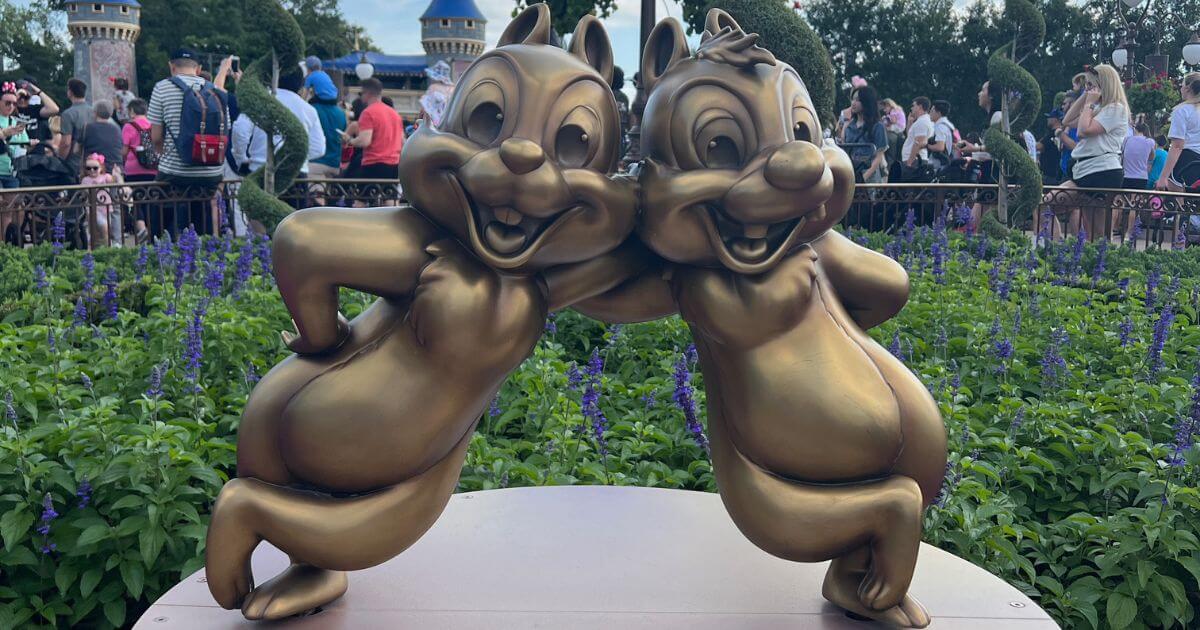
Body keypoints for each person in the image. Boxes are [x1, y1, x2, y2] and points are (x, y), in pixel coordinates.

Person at [148, 47, 230, 237]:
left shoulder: (162, 87)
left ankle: (160, 253)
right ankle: (206, 251)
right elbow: (226, 130)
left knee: (160, 219)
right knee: (203, 223)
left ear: (171, 66)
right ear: (199, 69)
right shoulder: (216, 91)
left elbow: (156, 137)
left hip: (176, 172)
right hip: (212, 172)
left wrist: (163, 154)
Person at [1055, 64, 1130, 240]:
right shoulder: (1096, 108)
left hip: (1102, 172)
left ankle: (1100, 263)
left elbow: (1083, 131)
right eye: (1087, 85)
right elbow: (1067, 120)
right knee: (1047, 203)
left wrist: (1088, 104)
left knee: (1098, 235)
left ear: (1103, 84)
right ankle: (1053, 251)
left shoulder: (1116, 108)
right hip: (1084, 170)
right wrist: (1084, 98)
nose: (1088, 89)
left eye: (1091, 85)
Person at [231, 70, 326, 176]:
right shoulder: (309, 110)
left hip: (260, 168)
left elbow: (240, 129)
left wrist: (241, 158)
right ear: (301, 85)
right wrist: (296, 158)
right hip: (296, 173)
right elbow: (319, 148)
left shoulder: (258, 101)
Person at [344, 78, 402, 181]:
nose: (361, 96)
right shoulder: (395, 114)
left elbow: (364, 141)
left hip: (374, 163)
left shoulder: (368, 112)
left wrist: (349, 140)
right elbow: (401, 140)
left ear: (368, 93)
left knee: (364, 196)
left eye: (361, 93)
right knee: (388, 196)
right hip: (394, 164)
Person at [1155, 71, 1200, 192]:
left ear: (1187, 88)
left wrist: (1163, 176)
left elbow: (1177, 146)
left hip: (1187, 161)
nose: (1180, 89)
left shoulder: (1182, 111)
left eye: (1182, 85)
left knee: (1178, 201)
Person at [121, 98, 158, 243]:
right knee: (149, 198)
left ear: (132, 111)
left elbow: (124, 150)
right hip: (152, 168)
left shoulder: (129, 126)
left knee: (137, 198)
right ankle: (152, 228)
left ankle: (141, 228)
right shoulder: (152, 125)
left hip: (134, 168)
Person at [840, 86, 887, 185]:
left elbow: (878, 156)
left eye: (858, 100)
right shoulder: (849, 126)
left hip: (869, 177)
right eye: (853, 99)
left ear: (867, 102)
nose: (853, 103)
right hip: (851, 173)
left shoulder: (877, 126)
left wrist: (864, 177)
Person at [307, 78, 346, 180]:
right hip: (334, 163)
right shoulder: (341, 113)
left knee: (316, 195)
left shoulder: (311, 109)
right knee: (328, 195)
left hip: (316, 162)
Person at [81, 153, 120, 248]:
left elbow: (113, 181)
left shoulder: (105, 177)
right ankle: (108, 246)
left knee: (105, 229)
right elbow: (84, 193)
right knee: (104, 227)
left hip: (106, 208)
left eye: (95, 168)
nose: (92, 170)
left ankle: (100, 246)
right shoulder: (86, 180)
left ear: (101, 168)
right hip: (93, 209)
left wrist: (116, 174)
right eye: (88, 168)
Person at [58, 78, 93, 176]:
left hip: (74, 163)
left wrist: (60, 160)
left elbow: (66, 143)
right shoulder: (94, 112)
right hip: (95, 161)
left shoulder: (68, 114)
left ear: (70, 92)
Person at [79, 101, 124, 174]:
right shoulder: (117, 129)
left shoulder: (87, 128)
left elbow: (77, 150)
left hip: (94, 171)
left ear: (95, 113)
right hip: (115, 170)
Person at [13, 80, 59, 148]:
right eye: (20, 97)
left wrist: (38, 91)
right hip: (15, 151)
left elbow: (54, 109)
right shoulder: (9, 109)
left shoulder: (35, 109)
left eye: (25, 97)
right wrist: (14, 98)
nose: (22, 100)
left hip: (35, 153)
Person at [901, 96, 934, 182]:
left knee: (910, 190)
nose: (911, 108)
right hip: (914, 160)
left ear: (920, 107)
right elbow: (910, 137)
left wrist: (909, 162)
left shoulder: (922, 122)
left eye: (913, 105)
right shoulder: (920, 121)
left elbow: (918, 143)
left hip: (915, 161)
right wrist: (910, 122)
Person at [927, 99, 957, 173]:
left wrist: (926, 145)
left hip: (938, 166)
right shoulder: (949, 125)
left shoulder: (940, 127)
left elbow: (940, 147)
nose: (929, 113)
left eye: (932, 111)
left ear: (939, 113)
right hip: (947, 163)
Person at [1037, 109, 1064, 185]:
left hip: (1049, 174)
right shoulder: (1063, 132)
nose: (1047, 119)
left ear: (1055, 119)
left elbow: (1038, 146)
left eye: (1049, 117)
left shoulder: (1053, 133)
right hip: (1057, 172)